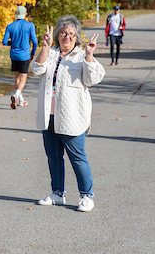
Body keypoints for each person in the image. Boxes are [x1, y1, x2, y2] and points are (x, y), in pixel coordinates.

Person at [31, 15, 105, 212]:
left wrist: (89, 55)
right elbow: (36, 69)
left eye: (71, 34)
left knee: (77, 157)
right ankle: (57, 193)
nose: (67, 37)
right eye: (63, 33)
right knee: (53, 157)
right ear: (57, 35)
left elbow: (93, 79)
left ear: (76, 36)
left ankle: (87, 195)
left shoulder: (81, 55)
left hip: (72, 116)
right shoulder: (51, 53)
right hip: (49, 115)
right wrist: (45, 47)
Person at [2, 5, 38, 108]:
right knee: (23, 77)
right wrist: (33, 53)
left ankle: (20, 100)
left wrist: (13, 43)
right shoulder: (30, 25)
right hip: (25, 55)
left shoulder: (10, 26)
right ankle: (16, 94)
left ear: (16, 14)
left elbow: (4, 42)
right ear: (25, 14)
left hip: (14, 55)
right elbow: (35, 41)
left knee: (17, 77)